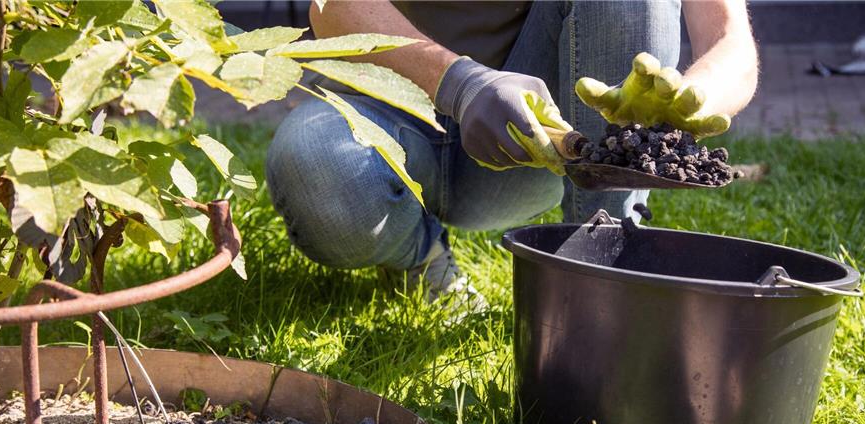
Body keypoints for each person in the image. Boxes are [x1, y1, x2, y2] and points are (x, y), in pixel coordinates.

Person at [265, 1, 758, 300]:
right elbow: (332, 6)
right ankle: (418, 260)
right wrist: (462, 84)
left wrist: (689, 97)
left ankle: (606, 263)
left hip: (537, 143)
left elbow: (730, 40)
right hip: (381, 116)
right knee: (314, 158)